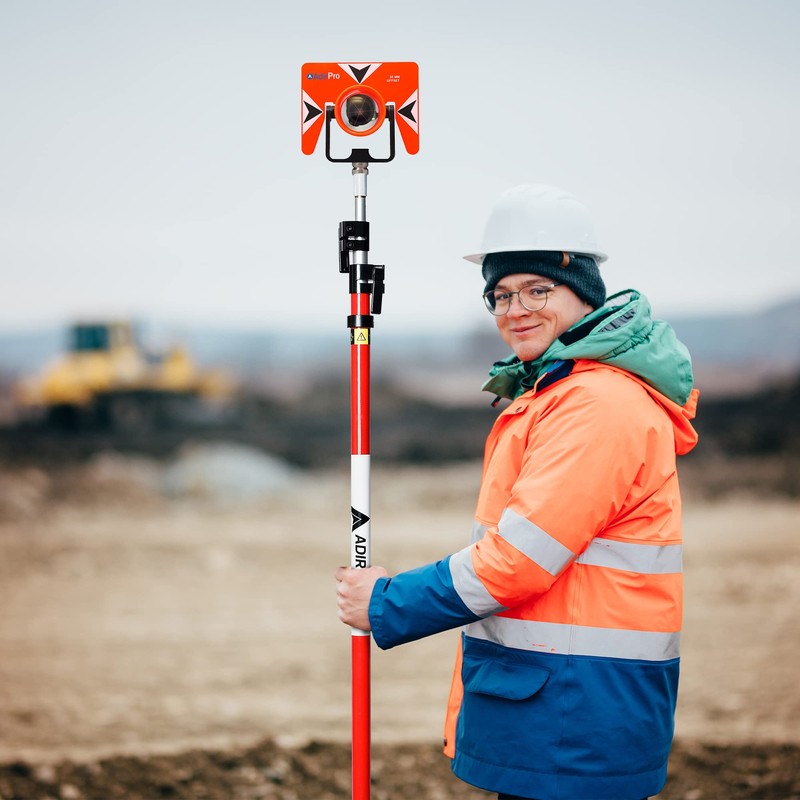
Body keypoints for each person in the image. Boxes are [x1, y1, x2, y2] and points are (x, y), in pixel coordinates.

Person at [335, 183, 700, 800]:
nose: (515, 309)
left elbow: (520, 559)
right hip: (559, 702)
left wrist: (387, 603)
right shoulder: (555, 393)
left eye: (538, 289)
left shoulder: (595, 405)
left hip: (574, 712)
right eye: (501, 295)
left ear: (583, 293)